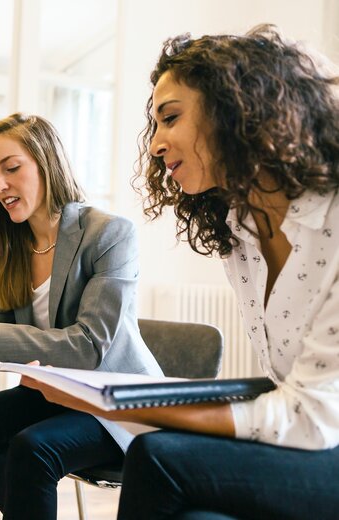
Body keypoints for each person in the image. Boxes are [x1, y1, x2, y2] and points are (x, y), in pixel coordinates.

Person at [19, 26, 339, 519]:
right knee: (165, 471)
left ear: (238, 108)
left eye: (171, 117)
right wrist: (103, 397)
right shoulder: (240, 232)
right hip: (305, 430)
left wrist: (110, 403)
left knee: (158, 459)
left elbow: (313, 416)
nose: (154, 145)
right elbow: (288, 393)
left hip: (323, 437)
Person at [0, 113, 162, 519]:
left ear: (47, 162)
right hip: (59, 394)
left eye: (11, 168)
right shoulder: (10, 245)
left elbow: (88, 346)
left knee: (32, 449)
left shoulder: (109, 234)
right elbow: (0, 324)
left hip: (116, 404)